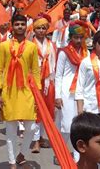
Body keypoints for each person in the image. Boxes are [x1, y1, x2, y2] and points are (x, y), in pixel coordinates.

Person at [0, 14, 41, 168]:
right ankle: (12, 161)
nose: (20, 27)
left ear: (26, 26)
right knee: (11, 129)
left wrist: (37, 95)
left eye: (22, 24)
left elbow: (35, 72)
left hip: (27, 92)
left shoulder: (32, 47)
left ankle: (22, 154)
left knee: (32, 127)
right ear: (11, 26)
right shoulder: (4, 46)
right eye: (17, 24)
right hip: (9, 91)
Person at [55, 20, 89, 162]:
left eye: (81, 37)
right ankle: (59, 151)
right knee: (67, 126)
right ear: (71, 37)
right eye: (76, 37)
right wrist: (57, 95)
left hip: (82, 91)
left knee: (80, 126)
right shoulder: (64, 53)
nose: (79, 40)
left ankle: (77, 157)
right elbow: (58, 75)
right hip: (67, 92)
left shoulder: (86, 52)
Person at [31, 14, 57, 152]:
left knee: (46, 110)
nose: (41, 30)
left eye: (43, 28)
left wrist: (53, 82)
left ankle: (41, 137)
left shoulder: (51, 45)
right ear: (34, 30)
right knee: (36, 111)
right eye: (38, 28)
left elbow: (54, 64)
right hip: (34, 81)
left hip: (48, 82)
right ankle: (35, 140)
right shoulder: (30, 45)